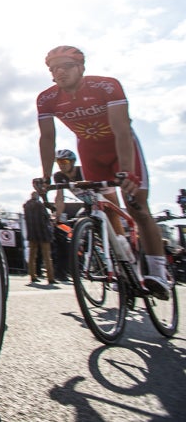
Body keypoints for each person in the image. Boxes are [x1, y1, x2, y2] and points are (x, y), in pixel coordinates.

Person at [35, 45, 169, 298]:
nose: (60, 72)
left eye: (66, 67)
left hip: (122, 148)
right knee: (105, 209)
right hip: (90, 150)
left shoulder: (106, 86)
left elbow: (121, 128)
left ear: (81, 68)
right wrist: (44, 176)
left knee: (137, 207)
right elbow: (47, 139)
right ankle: (123, 262)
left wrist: (128, 171)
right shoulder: (47, 98)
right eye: (54, 69)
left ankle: (158, 273)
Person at [24, 191, 55, 285]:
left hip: (32, 233)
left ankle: (32, 276)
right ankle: (50, 277)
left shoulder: (26, 206)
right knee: (47, 256)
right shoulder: (40, 205)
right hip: (43, 233)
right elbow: (46, 217)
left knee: (32, 256)